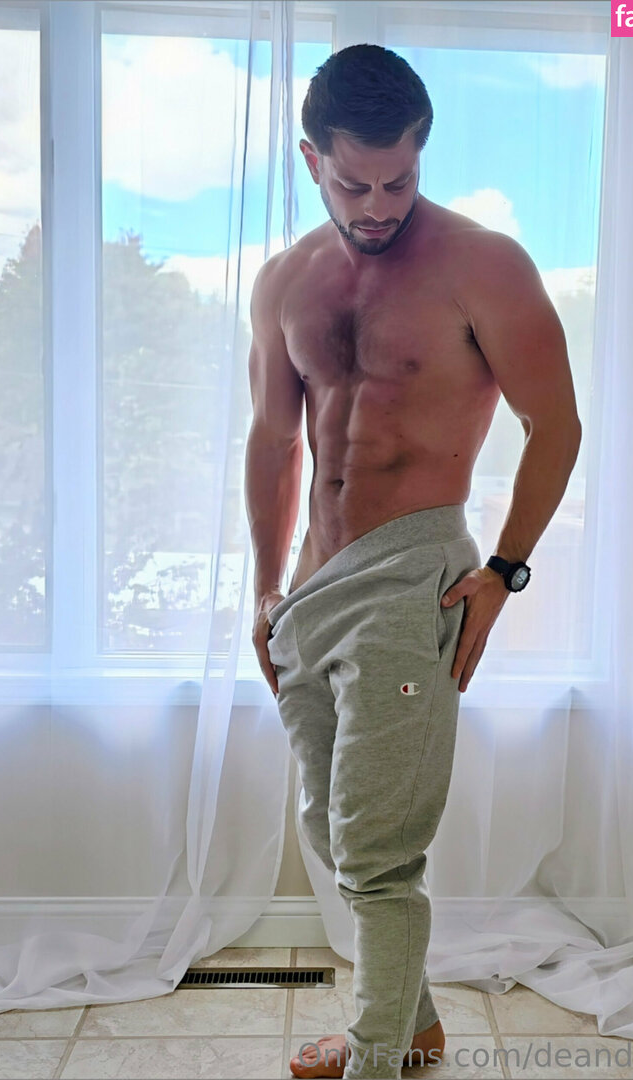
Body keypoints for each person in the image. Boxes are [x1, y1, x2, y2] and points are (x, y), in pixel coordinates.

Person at [244, 44, 582, 1080]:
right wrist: (266, 588)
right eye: (355, 184)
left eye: (399, 180)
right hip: (312, 590)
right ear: (312, 159)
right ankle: (417, 1022)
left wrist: (504, 571)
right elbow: (274, 439)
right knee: (333, 830)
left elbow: (556, 425)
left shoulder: (483, 266)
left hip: (411, 575)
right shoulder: (284, 281)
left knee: (379, 846)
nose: (379, 205)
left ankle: (376, 1054)